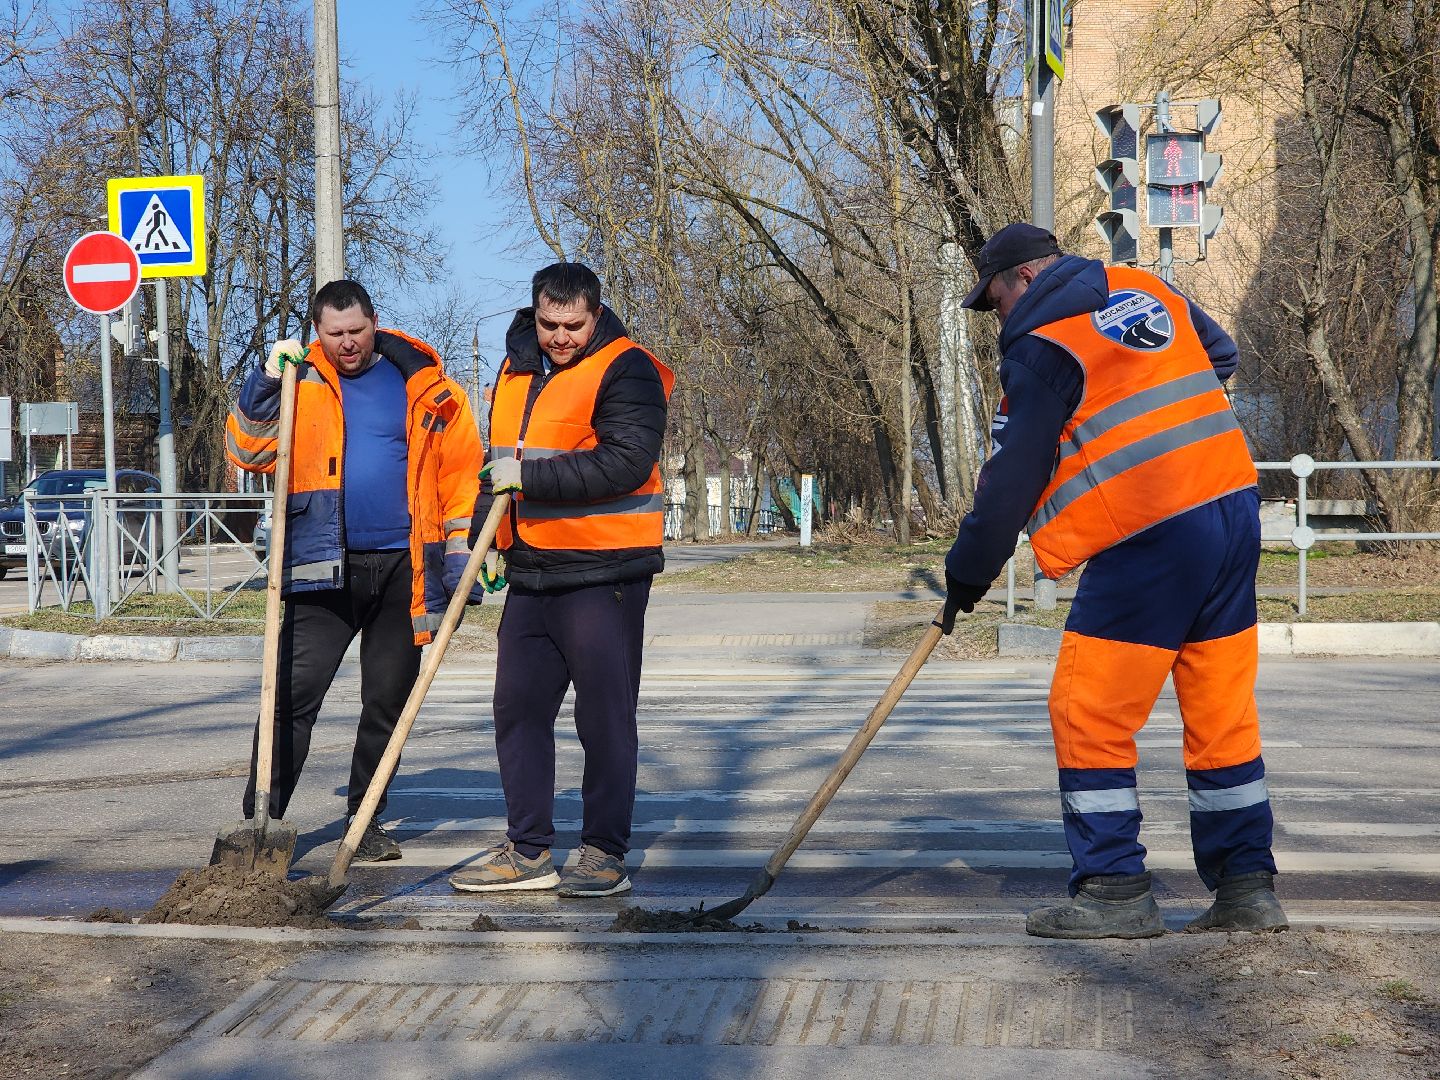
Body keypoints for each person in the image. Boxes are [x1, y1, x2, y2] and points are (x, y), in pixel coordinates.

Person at [940, 223, 1287, 939]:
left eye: (995, 299)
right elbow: (1221, 354)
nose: (996, 317)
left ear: (1025, 278)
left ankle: (1114, 890)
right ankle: (1247, 889)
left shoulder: (1041, 347)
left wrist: (965, 576)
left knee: (1089, 711)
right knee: (1220, 709)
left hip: (1150, 531)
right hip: (1231, 509)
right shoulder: (1144, 286)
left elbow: (1010, 483)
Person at [225, 279, 484, 861]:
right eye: (335, 333)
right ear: (317, 332)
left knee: (388, 702)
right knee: (291, 698)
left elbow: (461, 473)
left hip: (405, 569)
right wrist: (265, 381)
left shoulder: (425, 384)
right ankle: (260, 823)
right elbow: (246, 453)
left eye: (357, 331)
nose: (347, 343)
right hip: (322, 566)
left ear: (374, 322)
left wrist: (460, 551)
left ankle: (364, 822)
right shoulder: (300, 381)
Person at [449, 262, 673, 898]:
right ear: (535, 314)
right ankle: (527, 850)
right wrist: (484, 537)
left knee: (604, 718)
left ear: (595, 316)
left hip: (604, 571)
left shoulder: (627, 368)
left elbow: (626, 462)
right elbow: (500, 463)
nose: (561, 337)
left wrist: (529, 482)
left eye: (573, 325)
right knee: (517, 708)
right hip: (532, 569)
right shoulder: (515, 369)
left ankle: (603, 851)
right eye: (550, 324)